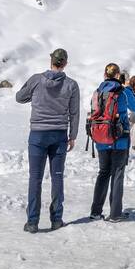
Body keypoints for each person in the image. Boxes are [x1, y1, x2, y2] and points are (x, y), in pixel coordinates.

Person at [15, 48, 82, 233]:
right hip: (59, 134)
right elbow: (75, 113)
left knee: (35, 178)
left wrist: (33, 94)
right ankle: (56, 219)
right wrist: (73, 135)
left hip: (37, 134)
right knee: (57, 177)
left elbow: (19, 97)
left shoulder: (36, 80)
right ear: (65, 63)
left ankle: (32, 222)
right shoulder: (71, 85)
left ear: (51, 61)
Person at [88, 63, 135, 222]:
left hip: (101, 137)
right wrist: (128, 89)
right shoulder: (123, 92)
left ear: (105, 75)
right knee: (117, 174)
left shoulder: (97, 92)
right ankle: (115, 213)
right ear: (118, 75)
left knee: (103, 173)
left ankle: (96, 211)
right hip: (119, 139)